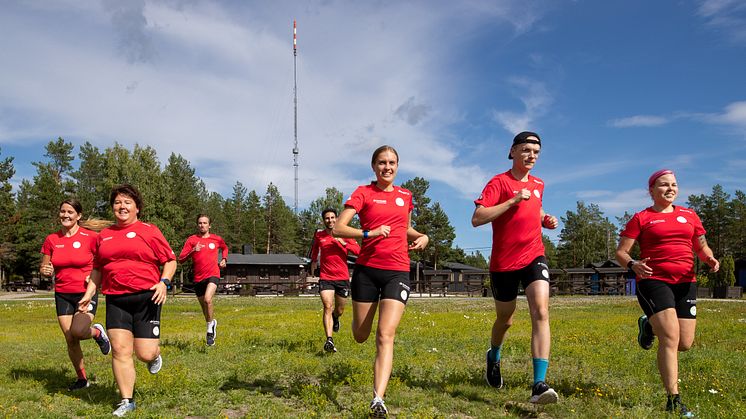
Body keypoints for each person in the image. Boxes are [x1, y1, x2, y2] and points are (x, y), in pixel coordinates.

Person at [333, 145, 429, 418]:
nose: (388, 167)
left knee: (385, 335)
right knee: (361, 335)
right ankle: (348, 319)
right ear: (374, 166)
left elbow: (404, 228)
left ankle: (378, 399)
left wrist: (423, 237)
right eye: (382, 162)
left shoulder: (405, 195)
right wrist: (369, 232)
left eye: (392, 162)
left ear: (398, 166)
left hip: (397, 271)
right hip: (366, 271)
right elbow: (339, 228)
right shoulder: (364, 193)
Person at [616, 169, 718, 417]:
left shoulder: (689, 215)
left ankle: (649, 325)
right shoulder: (641, 218)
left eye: (674, 184)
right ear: (651, 190)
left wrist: (710, 258)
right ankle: (673, 399)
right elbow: (621, 253)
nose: (670, 188)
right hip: (653, 280)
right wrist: (633, 264)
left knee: (684, 343)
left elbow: (700, 246)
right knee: (670, 338)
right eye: (663, 185)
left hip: (685, 282)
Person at [471, 131, 559, 404]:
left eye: (536, 151)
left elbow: (535, 209)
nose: (531, 155)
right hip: (503, 263)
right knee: (505, 319)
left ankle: (538, 384)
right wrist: (511, 200)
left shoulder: (539, 184)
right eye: (526, 150)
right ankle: (494, 355)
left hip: (534, 255)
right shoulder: (499, 182)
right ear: (513, 152)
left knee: (541, 311)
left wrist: (546, 219)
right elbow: (477, 218)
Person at [79, 184, 176, 417]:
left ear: (137, 208)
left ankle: (154, 355)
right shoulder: (104, 236)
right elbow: (98, 268)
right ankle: (126, 400)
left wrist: (164, 282)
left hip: (147, 297)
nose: (122, 207)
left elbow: (170, 260)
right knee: (120, 351)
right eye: (117, 202)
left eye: (127, 202)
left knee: (144, 353)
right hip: (116, 299)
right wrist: (89, 292)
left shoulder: (150, 230)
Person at [40, 199, 111, 391]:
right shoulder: (52, 239)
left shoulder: (90, 237)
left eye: (70, 212)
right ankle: (82, 379)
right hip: (62, 293)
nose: (65, 215)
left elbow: (102, 263)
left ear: (78, 216)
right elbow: (45, 266)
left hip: (85, 292)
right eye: (62, 211)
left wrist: (94, 279)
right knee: (70, 338)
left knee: (79, 331)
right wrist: (45, 271)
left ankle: (97, 332)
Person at [309, 208, 361, 353]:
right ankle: (329, 340)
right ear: (323, 220)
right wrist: (313, 262)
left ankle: (336, 318)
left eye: (332, 217)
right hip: (326, 277)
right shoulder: (320, 235)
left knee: (339, 310)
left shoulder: (346, 234)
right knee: (327, 306)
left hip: (342, 277)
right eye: (327, 218)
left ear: (337, 219)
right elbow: (315, 249)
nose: (330, 220)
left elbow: (358, 251)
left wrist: (344, 243)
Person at [178, 214, 228, 346]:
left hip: (213, 274)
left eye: (205, 223)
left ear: (209, 225)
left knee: (207, 299)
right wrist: (193, 250)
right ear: (197, 225)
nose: (202, 225)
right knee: (204, 308)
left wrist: (224, 259)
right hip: (198, 278)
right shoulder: (192, 240)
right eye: (200, 223)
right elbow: (181, 259)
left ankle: (209, 330)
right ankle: (211, 323)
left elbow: (225, 248)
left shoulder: (216, 239)